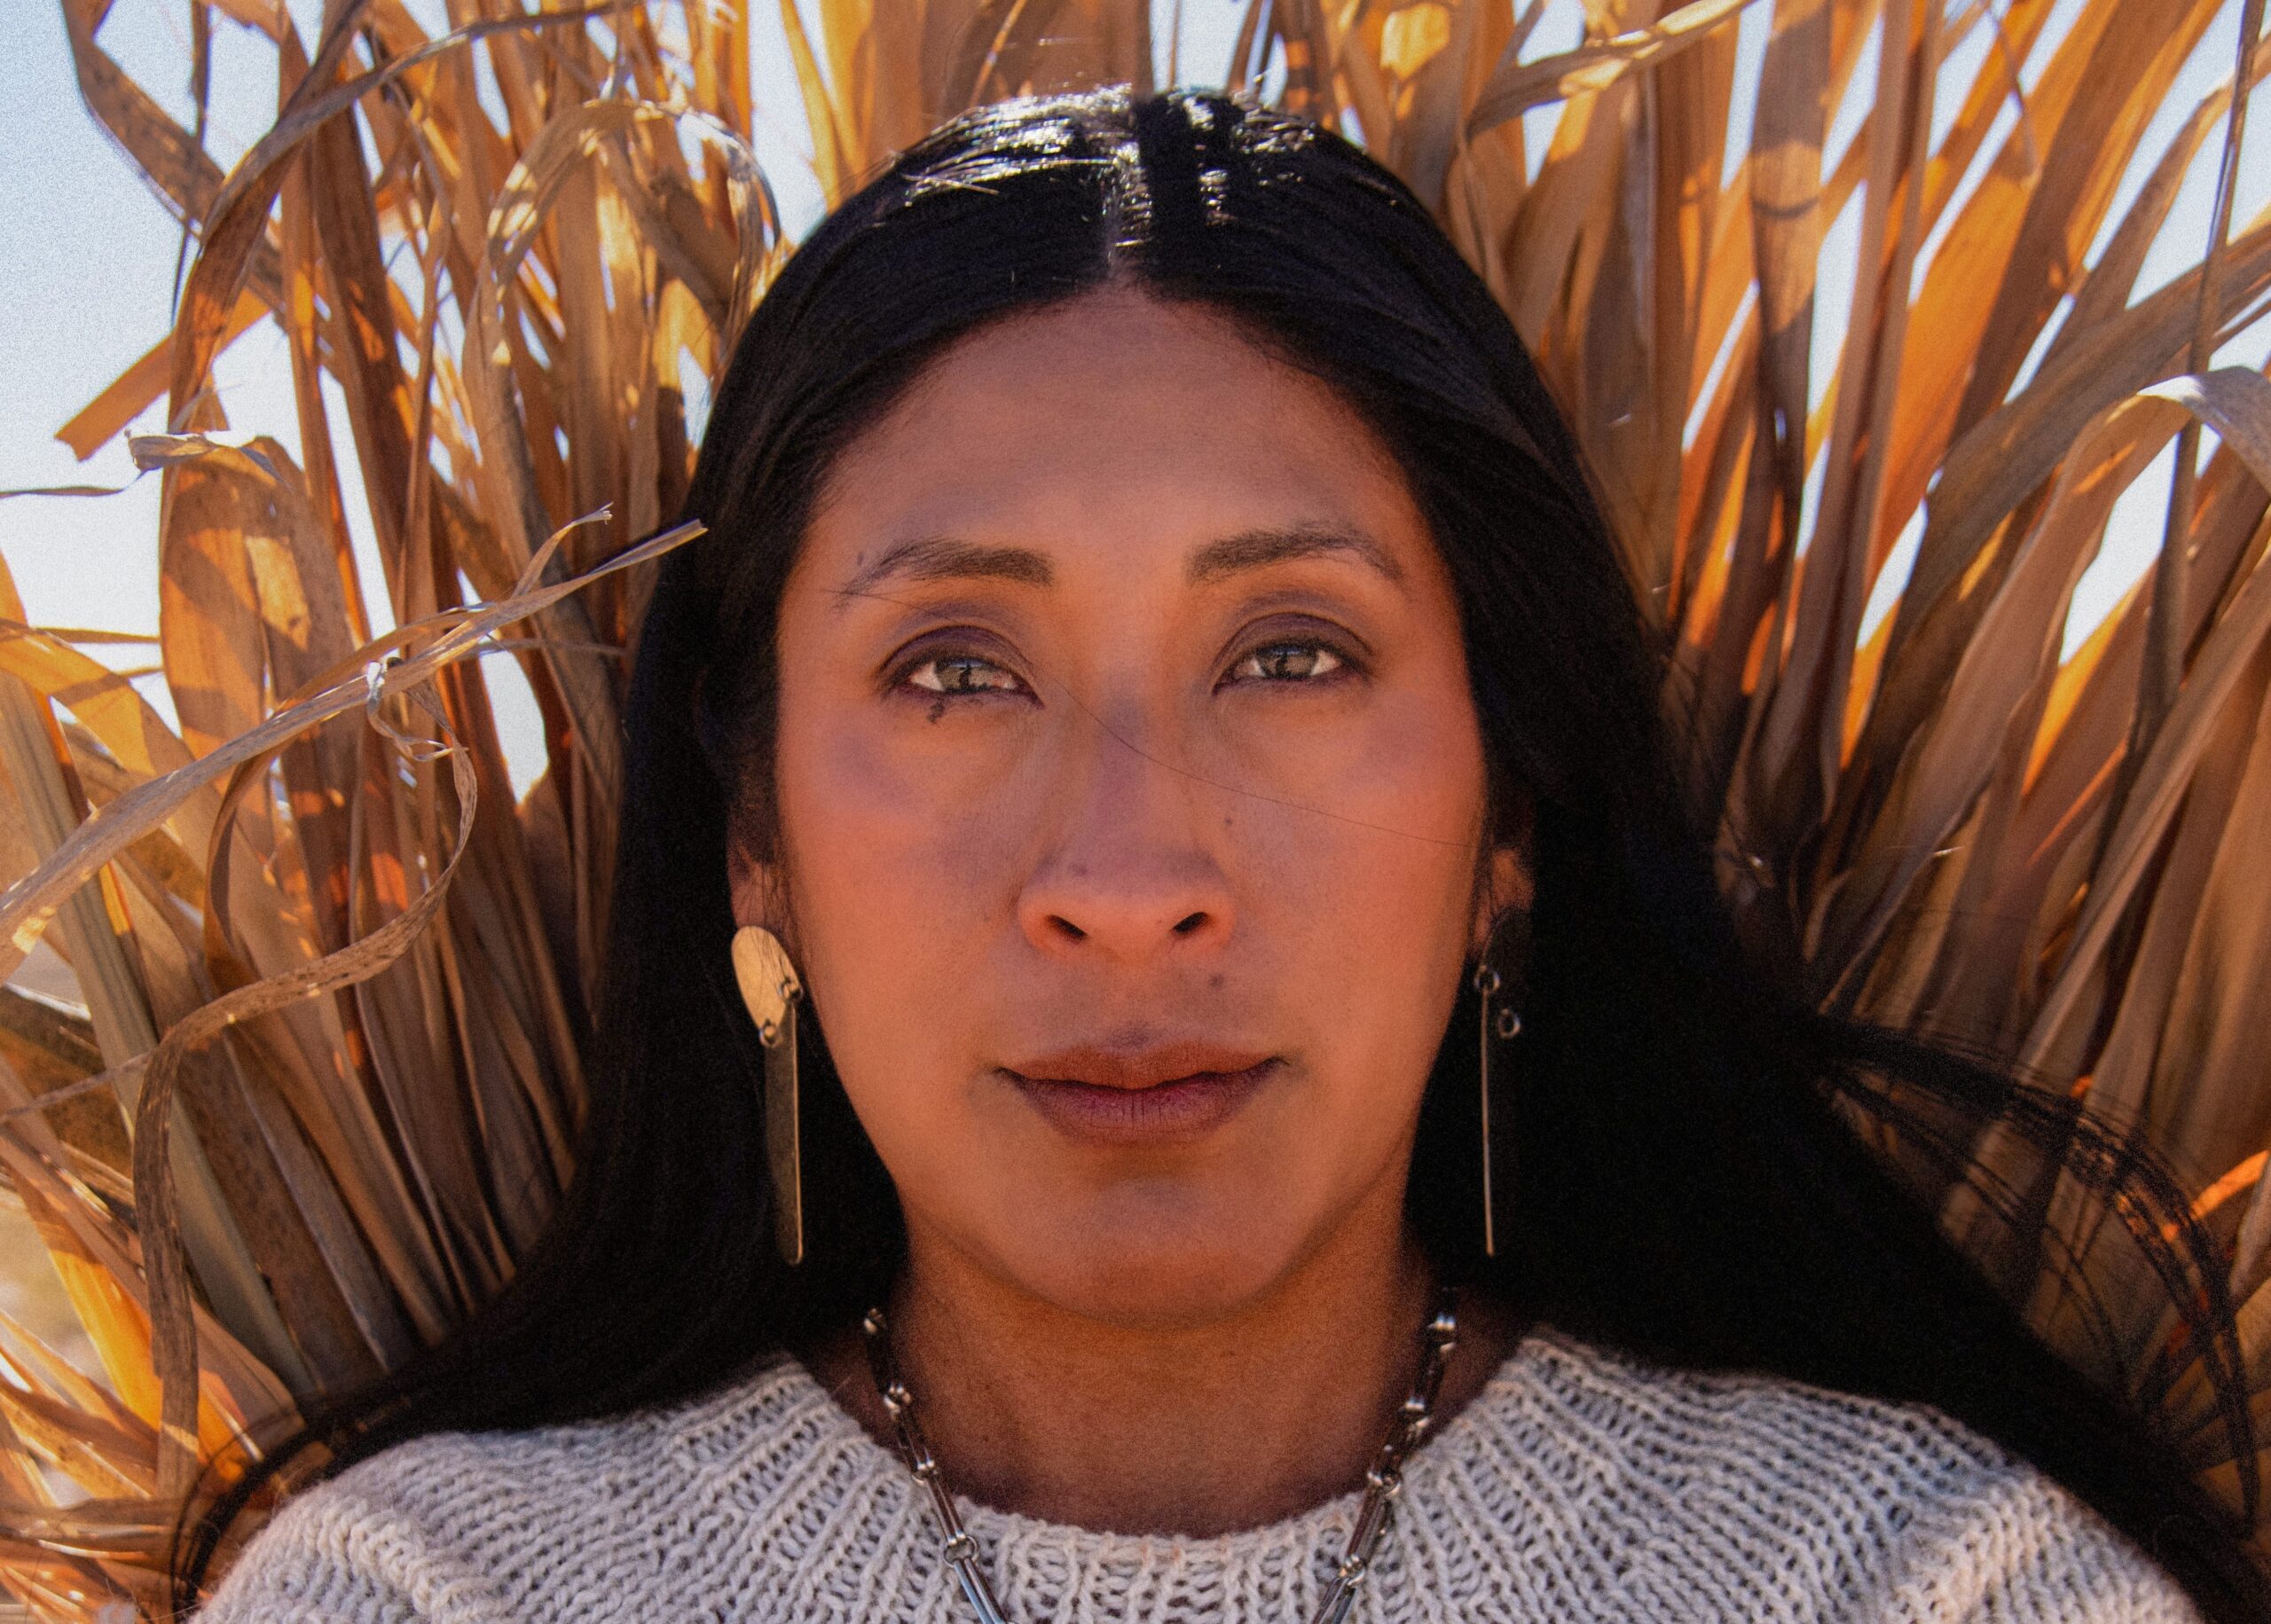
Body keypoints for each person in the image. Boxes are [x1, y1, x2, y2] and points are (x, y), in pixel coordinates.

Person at [186, 88, 2264, 1622]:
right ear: (755, 843)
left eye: (1287, 655)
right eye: (951, 671)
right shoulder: (430, 1599)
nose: (1126, 874)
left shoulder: (1918, 1588)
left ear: (1503, 816)